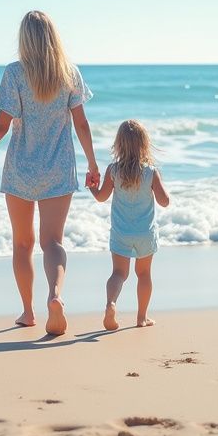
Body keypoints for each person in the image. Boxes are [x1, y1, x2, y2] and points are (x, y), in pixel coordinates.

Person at [0, 11, 98, 336]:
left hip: (21, 169)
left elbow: (1, 124)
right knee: (53, 241)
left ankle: (27, 311)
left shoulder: (15, 73)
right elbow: (81, 123)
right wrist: (94, 164)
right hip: (58, 168)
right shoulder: (70, 73)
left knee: (23, 243)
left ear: (24, 39)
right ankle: (55, 296)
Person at [86, 119, 170, 330]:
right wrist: (158, 185)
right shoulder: (151, 172)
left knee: (118, 274)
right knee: (144, 274)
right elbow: (165, 201)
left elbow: (101, 197)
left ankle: (111, 303)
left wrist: (91, 187)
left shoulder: (113, 171)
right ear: (144, 145)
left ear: (119, 145)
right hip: (145, 234)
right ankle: (141, 318)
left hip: (121, 233)